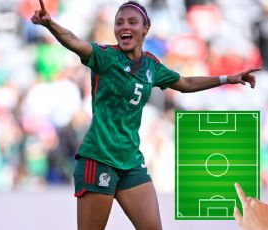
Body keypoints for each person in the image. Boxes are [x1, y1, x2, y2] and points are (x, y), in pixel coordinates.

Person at [31, 1, 259, 229]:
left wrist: (226, 78)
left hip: (130, 163)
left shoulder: (151, 65)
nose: (124, 27)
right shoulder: (105, 56)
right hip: (99, 159)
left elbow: (186, 82)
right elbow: (74, 41)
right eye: (119, 23)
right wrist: (51, 24)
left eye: (132, 22)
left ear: (146, 28)